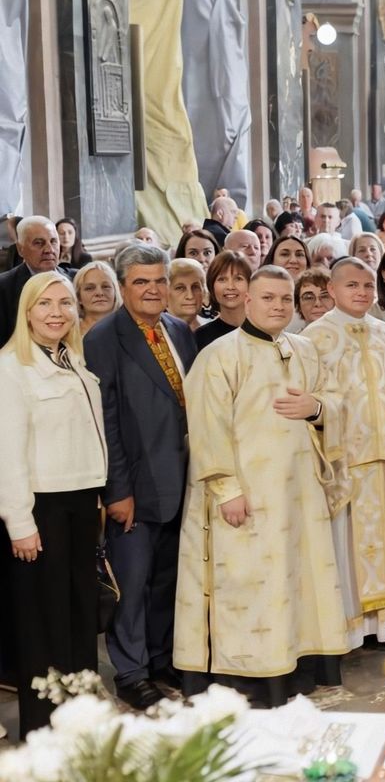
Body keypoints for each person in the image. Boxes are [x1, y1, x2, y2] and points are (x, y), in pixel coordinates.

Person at [173, 266, 351, 707]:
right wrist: (226, 489)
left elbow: (337, 402)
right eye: (267, 298)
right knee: (247, 583)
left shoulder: (306, 349)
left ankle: (296, 665)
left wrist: (317, 408)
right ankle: (250, 678)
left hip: (298, 498)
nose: (277, 306)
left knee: (296, 582)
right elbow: (205, 426)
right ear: (247, 302)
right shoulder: (220, 354)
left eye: (284, 299)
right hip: (244, 496)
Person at [84, 244, 197, 709]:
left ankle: (160, 657)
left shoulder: (177, 329)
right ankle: (130, 672)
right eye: (141, 282)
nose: (153, 290)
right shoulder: (105, 338)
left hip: (182, 481)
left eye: (159, 281)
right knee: (130, 584)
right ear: (123, 286)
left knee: (167, 581)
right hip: (134, 485)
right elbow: (105, 420)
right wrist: (117, 491)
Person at [303, 258, 385, 648]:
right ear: (332, 289)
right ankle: (347, 627)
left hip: (383, 458)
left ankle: (379, 624)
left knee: (382, 545)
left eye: (366, 286)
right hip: (343, 460)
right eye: (351, 286)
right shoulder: (315, 336)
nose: (361, 292)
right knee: (345, 547)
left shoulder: (383, 332)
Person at [0, 273, 106, 738]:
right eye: (45, 304)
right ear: (27, 312)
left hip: (83, 502)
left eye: (65, 303)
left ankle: (80, 722)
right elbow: (7, 452)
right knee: (44, 624)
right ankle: (44, 731)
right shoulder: (10, 367)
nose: (57, 312)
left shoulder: (72, 359)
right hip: (42, 507)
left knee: (81, 617)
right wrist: (19, 521)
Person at [0, 216, 72, 347]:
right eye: (39, 243)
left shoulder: (75, 280)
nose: (49, 249)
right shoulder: (4, 287)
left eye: (53, 241)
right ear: (20, 249)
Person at [194, 251, 251, 352]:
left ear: (250, 284)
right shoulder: (200, 338)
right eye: (222, 279)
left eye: (238, 278)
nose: (230, 286)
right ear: (212, 286)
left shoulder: (265, 330)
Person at [74, 260, 121, 335]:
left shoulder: (131, 328)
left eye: (105, 286)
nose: (99, 293)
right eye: (90, 288)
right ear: (78, 297)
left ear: (116, 292)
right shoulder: (68, 332)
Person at [166, 257, 209, 332]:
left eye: (195, 287)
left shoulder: (215, 333)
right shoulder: (155, 332)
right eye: (180, 288)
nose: (190, 296)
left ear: (204, 292)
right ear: (165, 294)